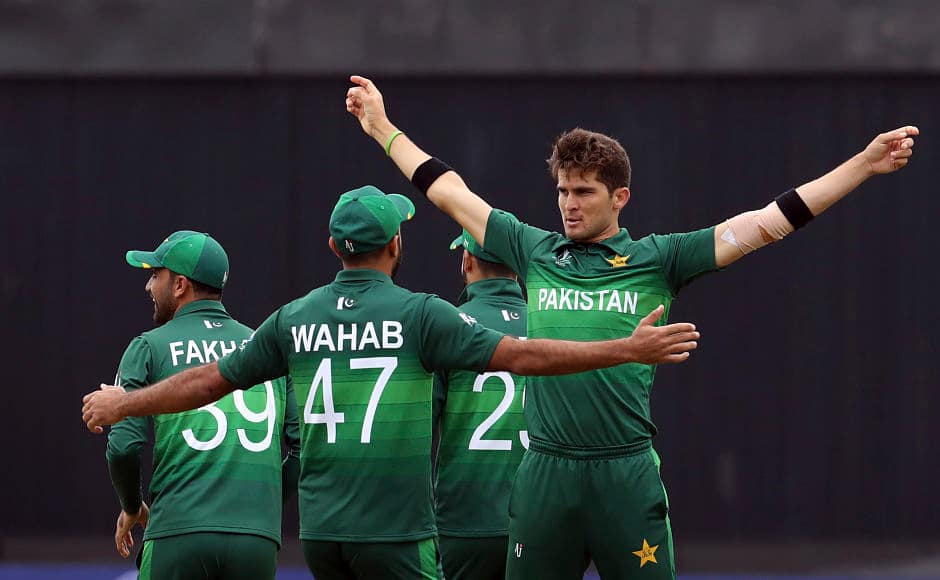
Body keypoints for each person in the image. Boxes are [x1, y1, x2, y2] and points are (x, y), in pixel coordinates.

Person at [343, 74, 919, 579]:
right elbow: (447, 190)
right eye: (563, 190)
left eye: (584, 192)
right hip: (546, 469)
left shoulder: (660, 258)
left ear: (620, 197)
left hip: (624, 469)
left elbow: (771, 221)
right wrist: (381, 127)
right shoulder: (534, 249)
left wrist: (864, 165)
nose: (569, 204)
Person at [83, 187, 701, 580]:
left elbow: (204, 384)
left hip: (325, 534)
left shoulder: (294, 317)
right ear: (397, 244)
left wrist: (124, 402)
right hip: (408, 531)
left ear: (332, 245)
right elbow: (527, 357)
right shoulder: (424, 314)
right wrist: (623, 347)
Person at [104, 230, 300, 580]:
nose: (148, 287)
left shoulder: (148, 346)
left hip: (179, 532)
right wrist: (258, 508)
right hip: (257, 540)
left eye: (154, 275)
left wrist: (132, 506)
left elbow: (123, 447)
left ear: (180, 285)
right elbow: (304, 449)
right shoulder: (265, 349)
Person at [434, 228, 528, 580]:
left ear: (466, 260)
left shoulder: (445, 329)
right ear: (518, 268)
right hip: (542, 521)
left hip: (464, 522)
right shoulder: (551, 327)